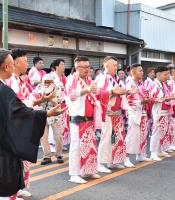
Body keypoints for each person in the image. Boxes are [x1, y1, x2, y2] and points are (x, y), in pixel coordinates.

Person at [0, 48, 65, 199]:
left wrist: (42, 102)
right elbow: (19, 112)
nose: (14, 68)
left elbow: (17, 110)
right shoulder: (2, 89)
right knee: (3, 191)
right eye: (12, 65)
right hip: (3, 147)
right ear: (6, 67)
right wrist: (47, 113)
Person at [6, 48, 51, 197]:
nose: (27, 63)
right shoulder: (12, 79)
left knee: (21, 161)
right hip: (15, 126)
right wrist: (37, 102)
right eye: (25, 60)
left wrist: (40, 99)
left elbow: (26, 101)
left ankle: (17, 188)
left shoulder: (18, 79)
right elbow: (21, 103)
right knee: (14, 161)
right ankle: (12, 192)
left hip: (21, 123)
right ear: (16, 62)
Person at [66, 56, 101, 184]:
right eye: (84, 67)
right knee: (76, 147)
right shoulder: (71, 80)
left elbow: (94, 94)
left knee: (89, 145)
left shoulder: (89, 80)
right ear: (77, 67)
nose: (87, 69)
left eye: (88, 66)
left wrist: (94, 91)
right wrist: (85, 90)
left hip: (89, 119)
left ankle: (88, 170)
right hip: (78, 119)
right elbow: (71, 96)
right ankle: (74, 174)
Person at [96, 56, 128, 173]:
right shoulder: (102, 78)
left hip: (116, 114)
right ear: (106, 66)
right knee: (106, 138)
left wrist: (124, 91)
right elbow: (98, 94)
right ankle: (100, 162)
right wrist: (113, 92)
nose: (116, 67)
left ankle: (111, 160)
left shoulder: (113, 79)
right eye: (114, 65)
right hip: (108, 113)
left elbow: (119, 92)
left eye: (116, 65)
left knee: (114, 138)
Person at [124, 64, 151, 168]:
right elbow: (128, 100)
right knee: (132, 136)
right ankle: (126, 158)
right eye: (140, 71)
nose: (142, 72)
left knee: (143, 134)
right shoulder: (129, 83)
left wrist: (146, 99)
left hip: (142, 110)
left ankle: (141, 154)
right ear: (133, 72)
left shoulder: (141, 83)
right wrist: (142, 101)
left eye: (142, 70)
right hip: (133, 112)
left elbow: (145, 95)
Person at [35, 74, 65, 165]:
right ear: (42, 82)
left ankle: (59, 154)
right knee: (43, 136)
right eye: (45, 82)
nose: (47, 84)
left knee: (58, 136)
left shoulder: (57, 88)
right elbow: (35, 100)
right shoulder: (39, 87)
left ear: (53, 82)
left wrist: (51, 98)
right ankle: (47, 156)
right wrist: (42, 97)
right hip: (43, 114)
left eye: (49, 82)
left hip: (55, 114)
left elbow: (60, 101)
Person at [149, 66, 175, 161]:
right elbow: (151, 98)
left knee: (164, 131)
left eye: (168, 74)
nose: (167, 76)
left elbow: (166, 96)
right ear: (158, 74)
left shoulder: (163, 84)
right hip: (158, 110)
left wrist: (171, 97)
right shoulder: (154, 85)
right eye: (165, 74)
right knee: (156, 131)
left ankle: (160, 149)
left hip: (165, 109)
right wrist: (165, 99)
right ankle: (153, 152)